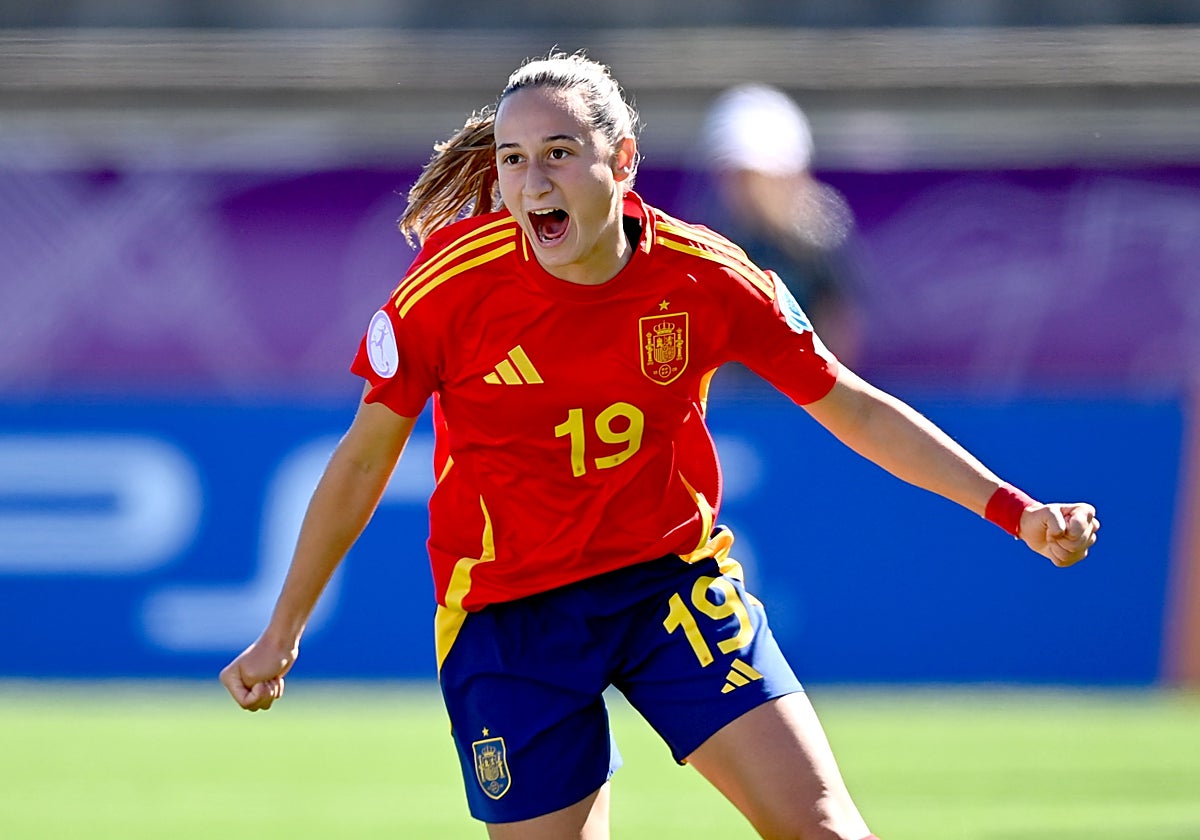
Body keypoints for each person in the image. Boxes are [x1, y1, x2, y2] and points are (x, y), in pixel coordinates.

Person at [219, 51, 1099, 840]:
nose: (533, 183)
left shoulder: (706, 277)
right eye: (515, 160)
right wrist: (283, 629)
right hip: (509, 612)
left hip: (667, 587)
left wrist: (1014, 511)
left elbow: (854, 408)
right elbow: (365, 459)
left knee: (826, 830)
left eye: (560, 153)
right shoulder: (451, 287)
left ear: (622, 161)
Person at [690, 83, 864, 366]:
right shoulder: (714, 241)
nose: (748, 190)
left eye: (756, 176)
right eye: (737, 176)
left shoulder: (818, 243)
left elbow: (840, 326)